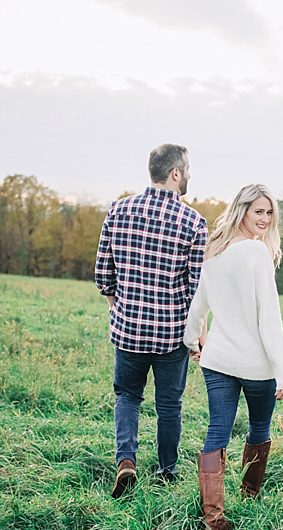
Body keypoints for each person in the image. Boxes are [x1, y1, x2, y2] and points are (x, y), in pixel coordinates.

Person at [95, 144, 208, 498]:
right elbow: (197, 291)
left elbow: (103, 274)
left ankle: (126, 461)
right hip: (171, 335)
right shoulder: (194, 222)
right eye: (186, 168)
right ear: (175, 173)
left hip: (128, 329)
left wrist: (121, 307)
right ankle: (166, 470)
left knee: (127, 396)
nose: (188, 174)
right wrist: (198, 336)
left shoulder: (119, 209)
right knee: (169, 405)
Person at [183, 183, 283, 530]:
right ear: (242, 210)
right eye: (258, 211)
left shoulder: (214, 250)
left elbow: (198, 306)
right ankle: (246, 497)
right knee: (257, 430)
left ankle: (213, 517)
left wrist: (191, 341)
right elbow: (269, 317)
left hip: (217, 359)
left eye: (269, 212)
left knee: (218, 429)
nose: (264, 218)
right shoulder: (256, 254)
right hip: (254, 364)